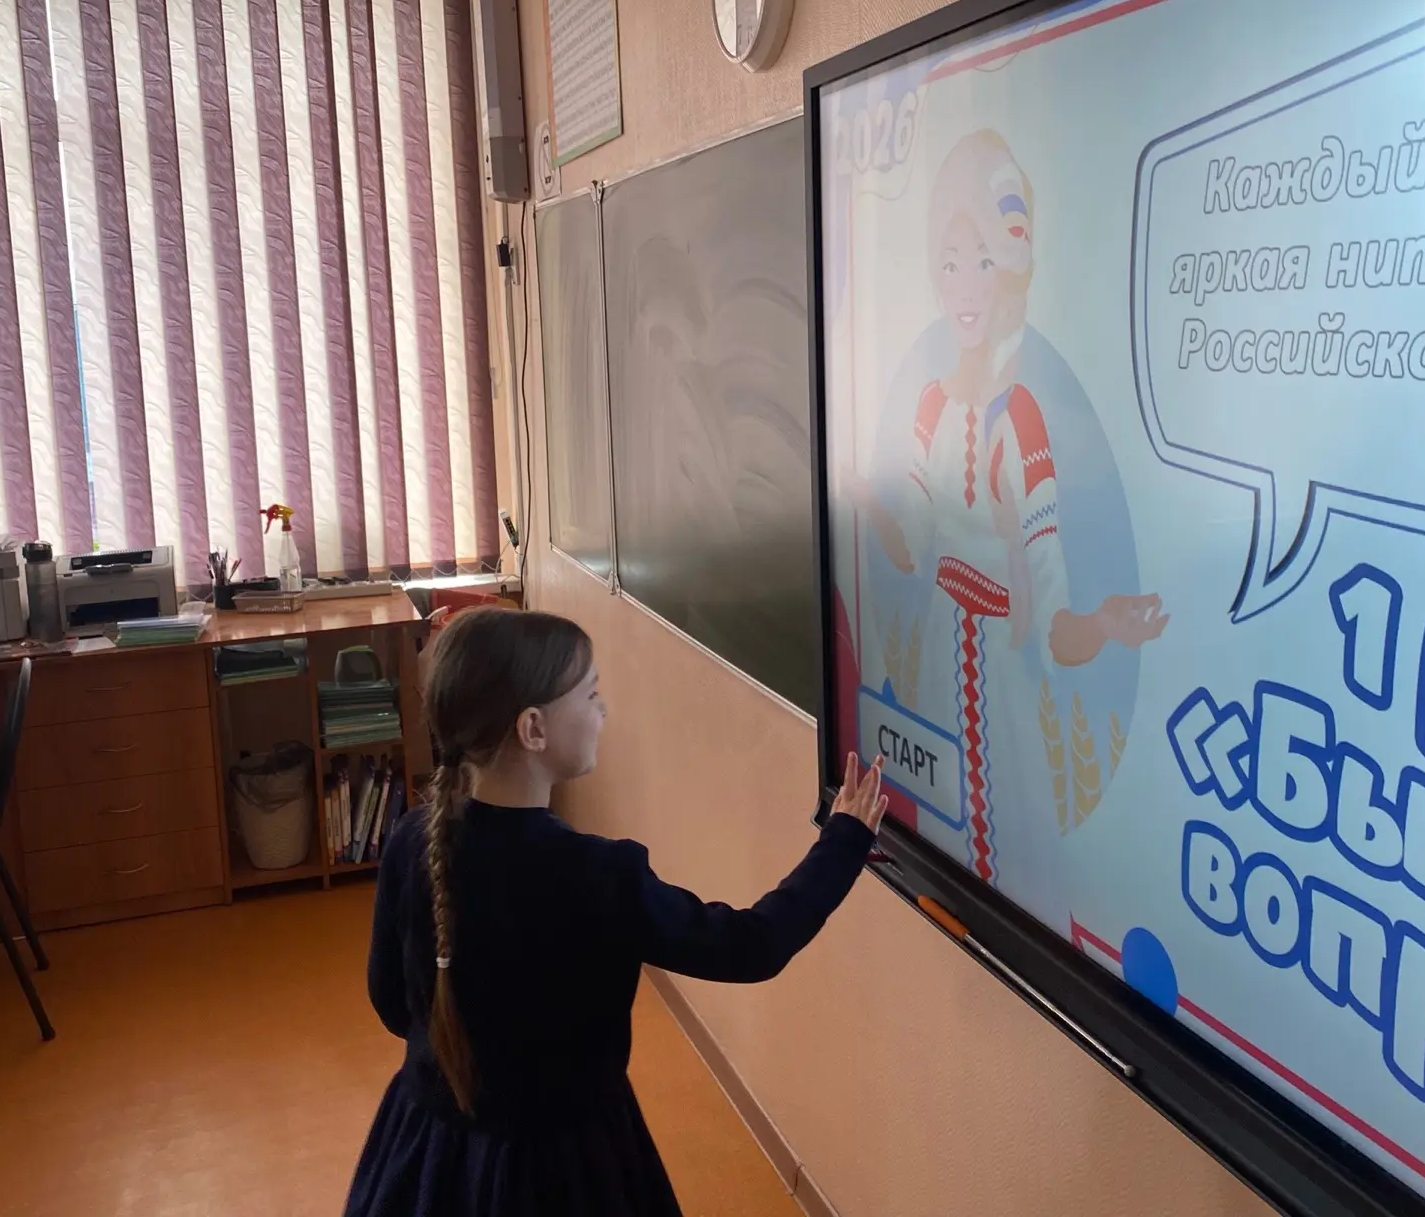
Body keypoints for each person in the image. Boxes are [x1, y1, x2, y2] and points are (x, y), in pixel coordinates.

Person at [344, 606, 888, 1217]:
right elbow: (751, 945)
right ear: (533, 729)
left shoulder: (411, 840)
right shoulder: (598, 875)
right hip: (566, 1171)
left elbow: (393, 1003)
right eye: (590, 695)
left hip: (430, 1154)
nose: (602, 710)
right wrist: (845, 839)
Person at [857, 129, 1165, 896]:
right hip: (937, 666)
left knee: (1015, 869)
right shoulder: (929, 409)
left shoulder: (1024, 419)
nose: (965, 286)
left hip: (1005, 673)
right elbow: (912, 550)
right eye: (950, 262)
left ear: (1011, 273)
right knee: (941, 853)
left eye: (984, 262)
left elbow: (1055, 623)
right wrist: (863, 499)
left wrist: (1104, 625)